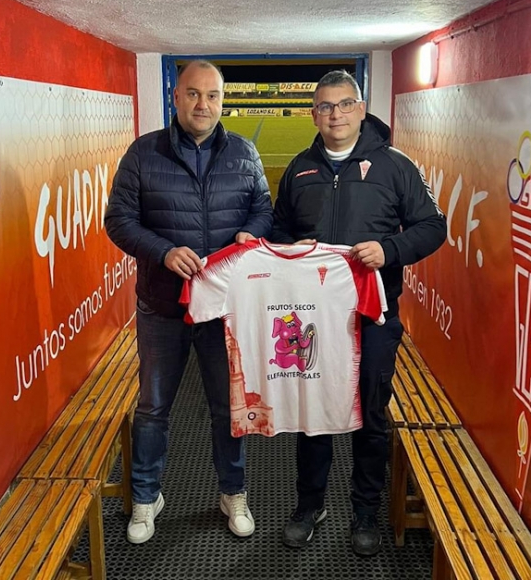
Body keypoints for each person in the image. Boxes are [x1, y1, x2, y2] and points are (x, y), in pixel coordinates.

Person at [272, 70, 446, 556]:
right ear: (314, 114)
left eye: (345, 104)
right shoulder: (300, 168)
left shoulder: (395, 166)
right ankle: (310, 506)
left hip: (372, 317)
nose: (335, 115)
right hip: (311, 319)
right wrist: (290, 245)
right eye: (325, 107)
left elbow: (434, 226)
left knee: (370, 413)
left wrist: (389, 250)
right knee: (315, 414)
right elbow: (279, 227)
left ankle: (364, 511)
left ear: (362, 107)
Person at [105, 60, 273, 544]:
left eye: (213, 96)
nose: (204, 104)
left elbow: (263, 209)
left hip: (224, 310)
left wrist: (250, 234)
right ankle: (145, 498)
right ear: (176, 97)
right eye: (194, 94)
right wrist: (163, 251)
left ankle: (233, 493)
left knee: (229, 407)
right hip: (164, 307)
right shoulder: (143, 153)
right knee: (154, 407)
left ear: (223, 100)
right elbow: (118, 219)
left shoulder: (243, 152)